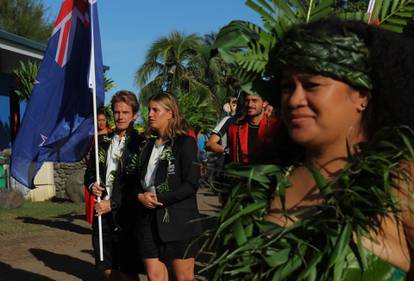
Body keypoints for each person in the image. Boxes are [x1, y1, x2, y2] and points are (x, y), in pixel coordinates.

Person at [206, 18, 414, 280]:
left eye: (312, 85)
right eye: (287, 87)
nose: (294, 99)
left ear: (361, 94)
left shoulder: (399, 181)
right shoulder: (263, 180)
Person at [136, 92, 202, 281]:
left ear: (170, 113)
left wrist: (161, 199)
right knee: (154, 276)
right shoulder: (147, 145)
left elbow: (191, 184)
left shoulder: (185, 143)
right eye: (149, 110)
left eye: (155, 110)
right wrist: (140, 196)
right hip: (148, 220)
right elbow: (135, 180)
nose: (150, 114)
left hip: (179, 220)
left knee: (184, 278)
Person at [84, 90, 144, 281]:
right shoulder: (101, 141)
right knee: (106, 268)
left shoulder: (141, 143)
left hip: (128, 214)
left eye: (126, 112)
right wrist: (92, 184)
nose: (120, 117)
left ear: (135, 114)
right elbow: (89, 173)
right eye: (117, 112)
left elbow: (140, 182)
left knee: (127, 270)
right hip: (102, 215)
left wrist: (114, 203)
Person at [227, 91, 279, 164]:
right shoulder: (234, 129)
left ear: (264, 103)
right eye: (247, 101)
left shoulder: (275, 127)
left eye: (254, 100)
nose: (250, 104)